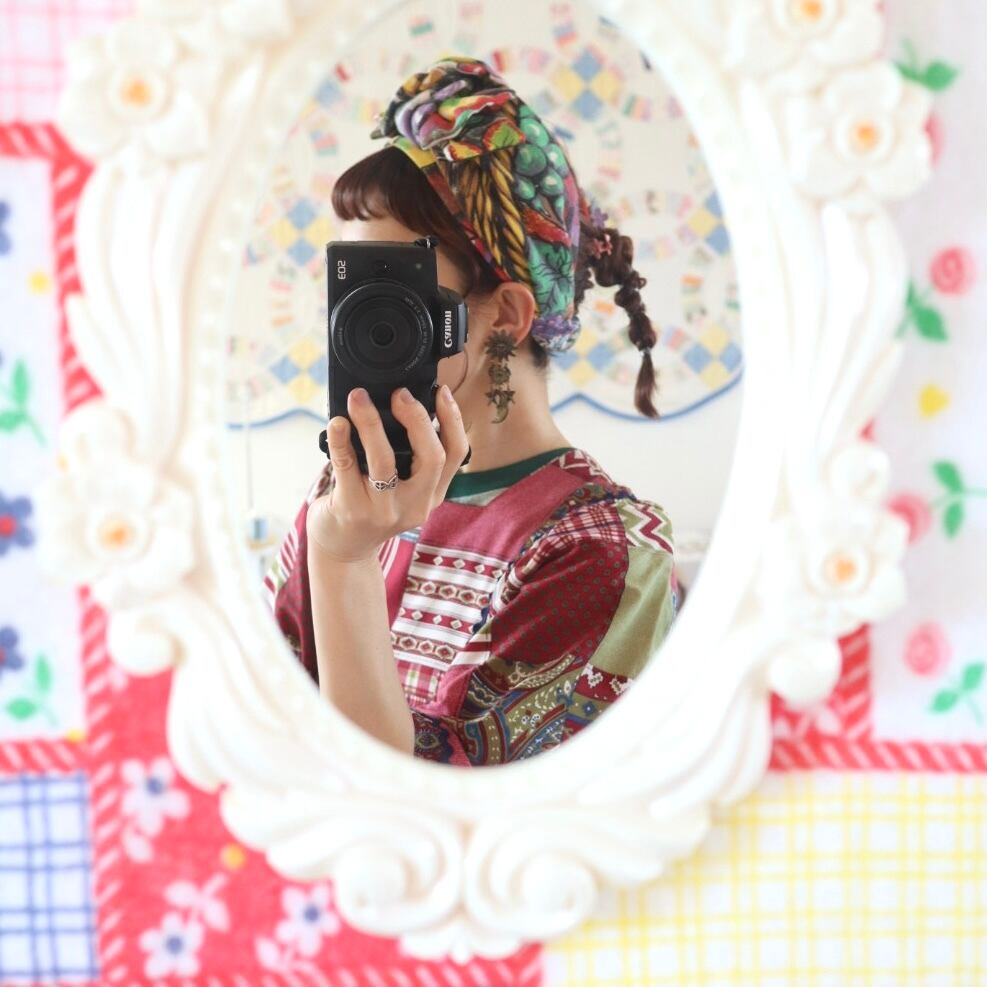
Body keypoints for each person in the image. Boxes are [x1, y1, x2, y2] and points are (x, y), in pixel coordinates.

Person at [264, 55, 680, 766]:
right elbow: (270, 730)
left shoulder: (602, 552)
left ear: (506, 315)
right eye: (353, 291)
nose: (363, 325)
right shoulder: (344, 498)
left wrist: (344, 560)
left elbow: (444, 801)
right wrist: (336, 543)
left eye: (396, 295)